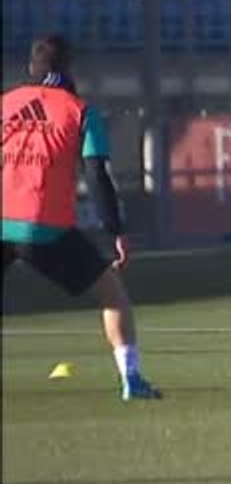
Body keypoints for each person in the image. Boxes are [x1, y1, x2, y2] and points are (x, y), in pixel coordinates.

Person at [2, 35, 162, 401]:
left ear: (32, 68)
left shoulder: (5, 104)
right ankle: (132, 380)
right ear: (69, 67)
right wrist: (115, 231)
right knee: (113, 295)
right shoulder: (79, 111)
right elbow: (96, 176)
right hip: (40, 225)